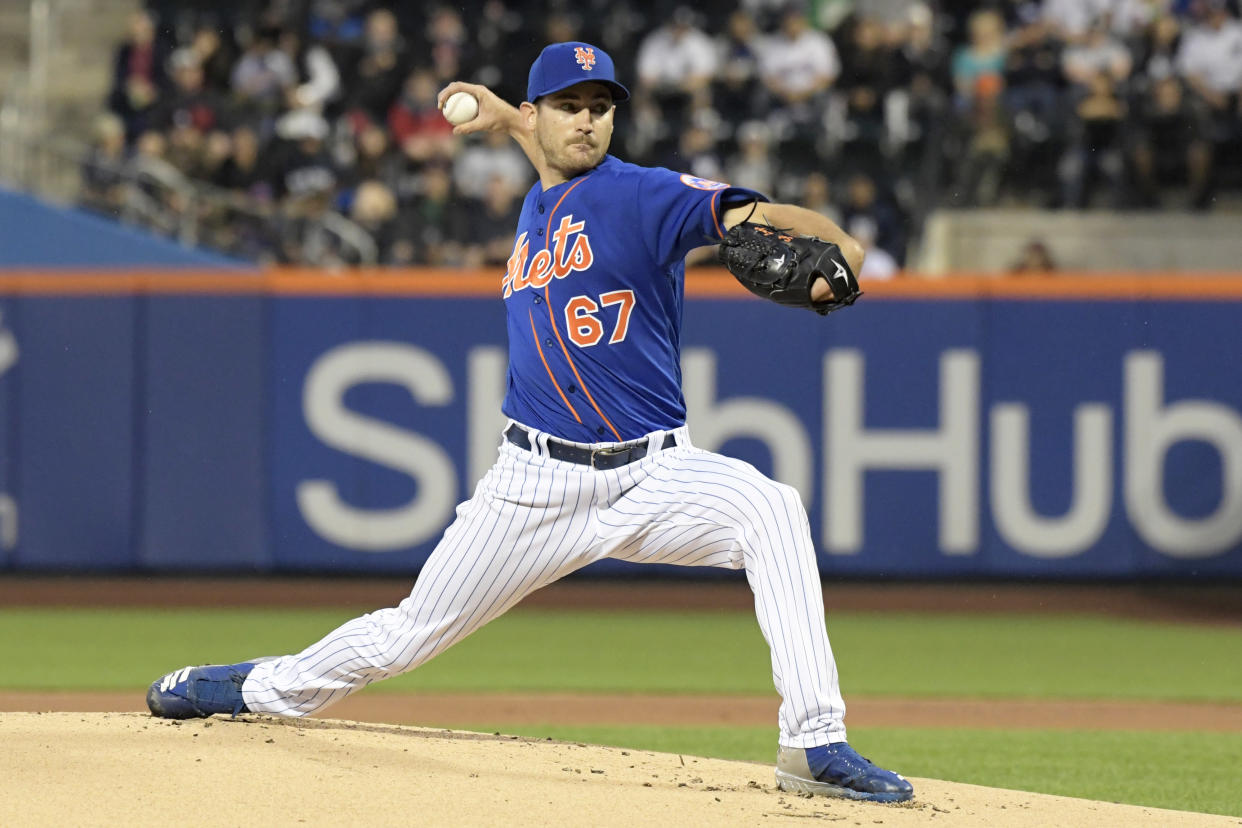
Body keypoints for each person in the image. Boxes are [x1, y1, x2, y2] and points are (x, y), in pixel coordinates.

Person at [145, 40, 913, 805]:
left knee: (771, 509)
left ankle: (814, 743)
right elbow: (539, 142)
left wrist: (838, 247)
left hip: (654, 472)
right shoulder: (542, 181)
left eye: (600, 108)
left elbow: (754, 211)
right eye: (569, 107)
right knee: (406, 636)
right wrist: (505, 116)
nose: (586, 123)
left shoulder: (643, 194)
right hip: (532, 484)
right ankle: (249, 689)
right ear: (540, 114)